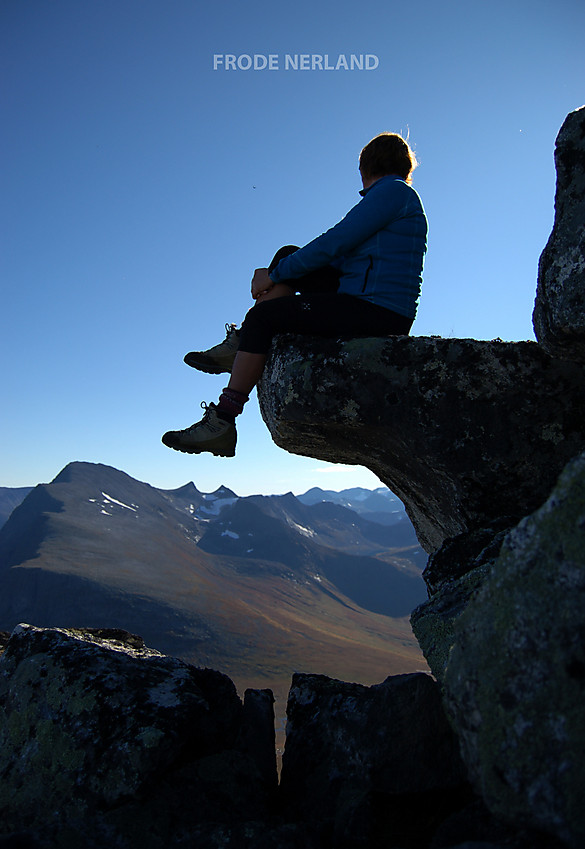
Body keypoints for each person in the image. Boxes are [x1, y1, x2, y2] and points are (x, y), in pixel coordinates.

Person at [162, 132, 428, 458]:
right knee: (288, 255)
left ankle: (223, 420)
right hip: (371, 303)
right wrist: (284, 267)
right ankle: (242, 343)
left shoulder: (391, 192)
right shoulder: (397, 197)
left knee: (264, 317)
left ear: (366, 167)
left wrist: (273, 275)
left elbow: (335, 242)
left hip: (374, 311)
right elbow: (340, 258)